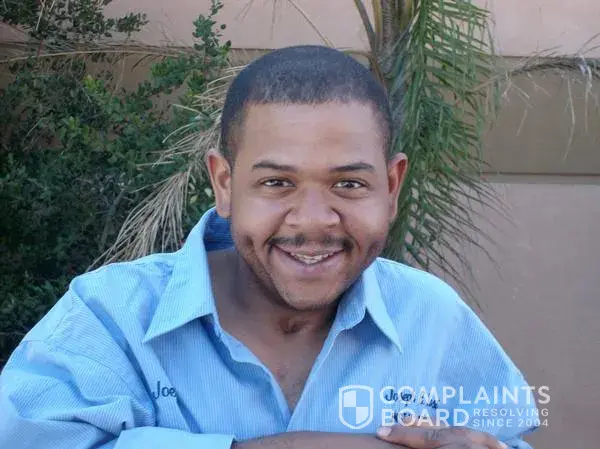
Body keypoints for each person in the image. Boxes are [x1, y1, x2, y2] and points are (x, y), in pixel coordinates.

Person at [0, 45, 539, 449]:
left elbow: (504, 440)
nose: (313, 220)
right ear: (224, 184)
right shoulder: (111, 317)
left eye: (349, 183)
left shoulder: (434, 318)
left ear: (392, 188)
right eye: (277, 183)